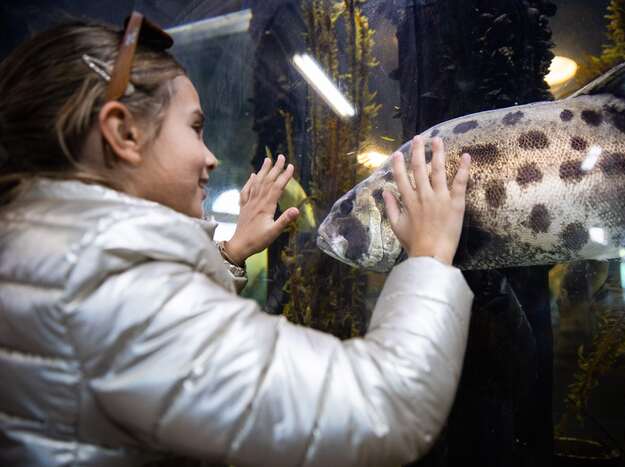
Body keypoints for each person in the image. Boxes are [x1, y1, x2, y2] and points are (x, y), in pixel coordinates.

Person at [0, 13, 473, 467]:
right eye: (195, 127)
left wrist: (229, 254)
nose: (209, 157)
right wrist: (429, 258)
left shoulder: (51, 250)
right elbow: (380, 408)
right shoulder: (105, 280)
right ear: (124, 132)